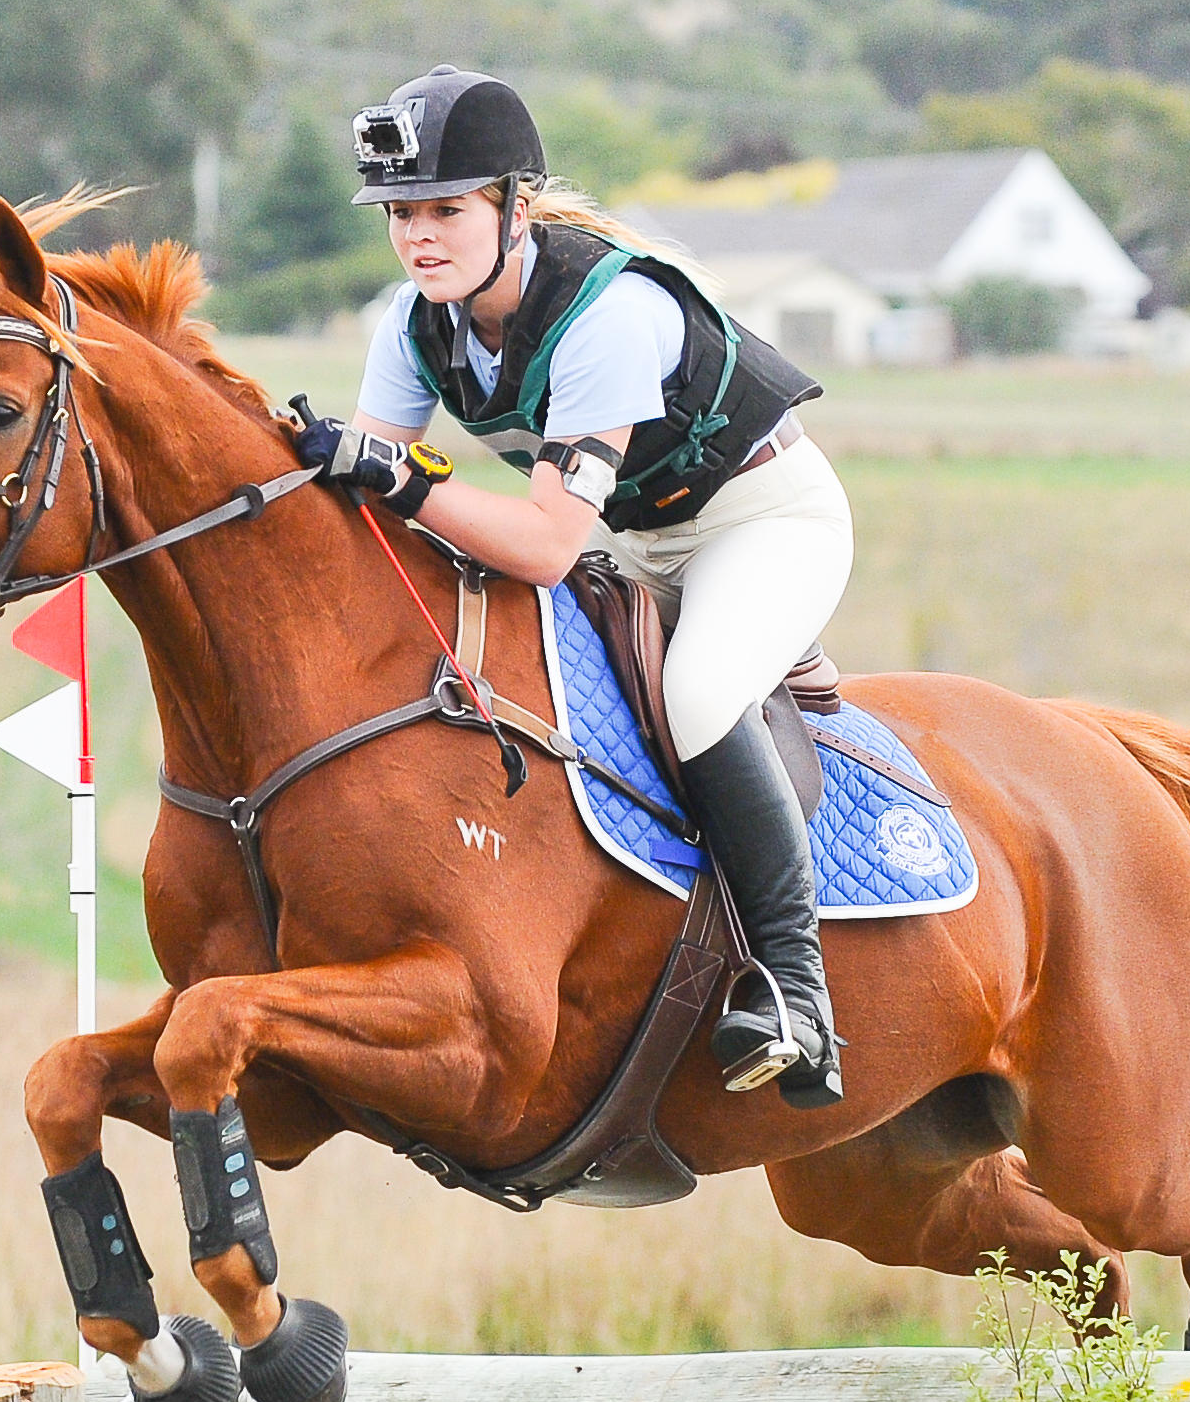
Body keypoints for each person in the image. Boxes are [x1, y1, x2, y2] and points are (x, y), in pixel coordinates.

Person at [289, 66, 855, 1107]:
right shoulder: (412, 323)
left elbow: (543, 544)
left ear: (514, 209)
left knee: (695, 694)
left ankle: (796, 994)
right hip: (635, 542)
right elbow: (366, 502)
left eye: (446, 211)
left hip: (763, 523)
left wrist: (403, 480)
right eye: (401, 215)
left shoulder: (609, 313)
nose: (418, 238)